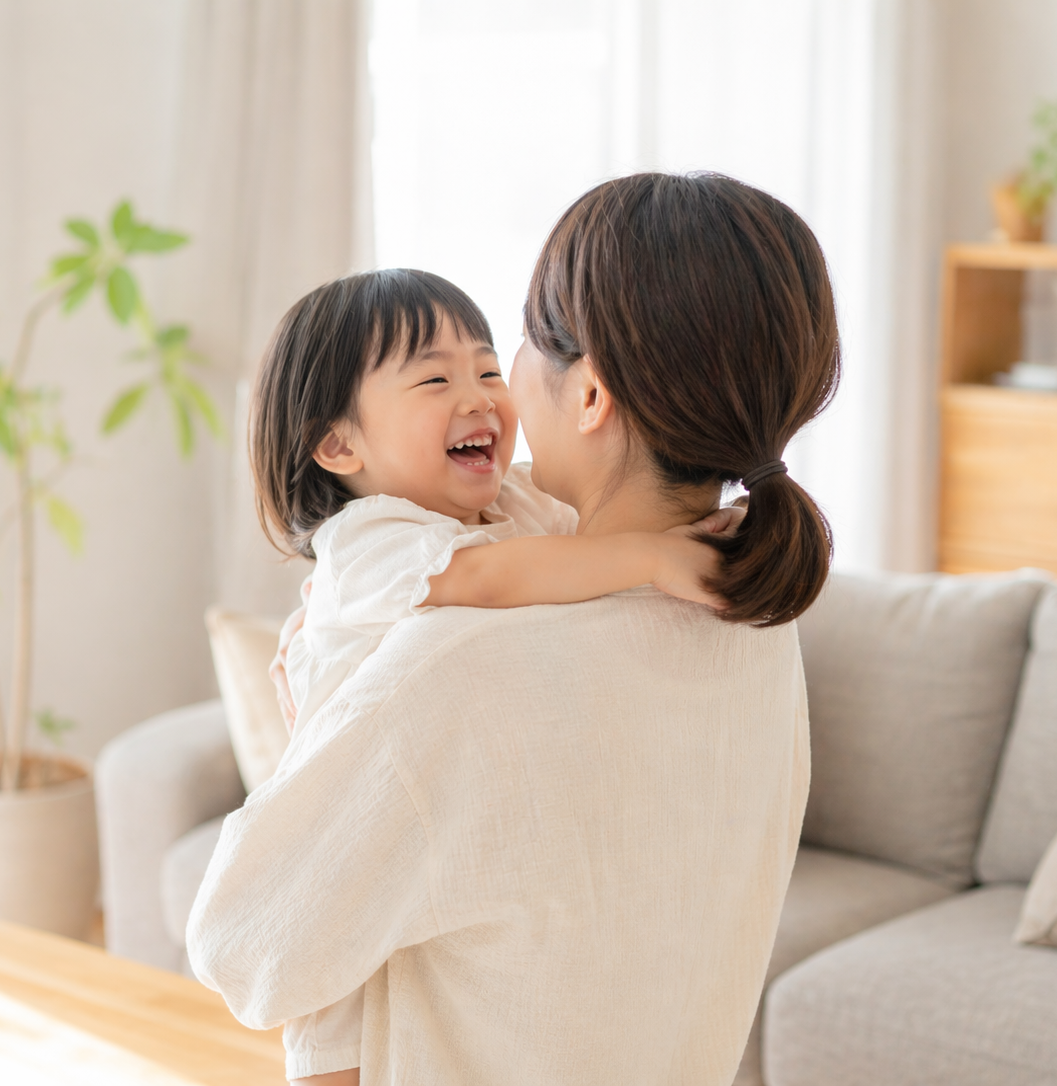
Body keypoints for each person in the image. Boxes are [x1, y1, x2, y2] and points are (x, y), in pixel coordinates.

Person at [187, 172, 839, 1085]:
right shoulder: (756, 613)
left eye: (514, 350)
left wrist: (335, 734)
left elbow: (245, 948)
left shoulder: (459, 669)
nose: (497, 392)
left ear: (591, 398)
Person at [250, 268, 741, 1078]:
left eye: (486, 368)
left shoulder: (506, 503)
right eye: (435, 379)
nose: (479, 397)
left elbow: (575, 539)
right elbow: (489, 581)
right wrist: (653, 558)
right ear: (340, 445)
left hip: (408, 834)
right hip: (340, 828)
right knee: (331, 1027)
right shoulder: (370, 539)